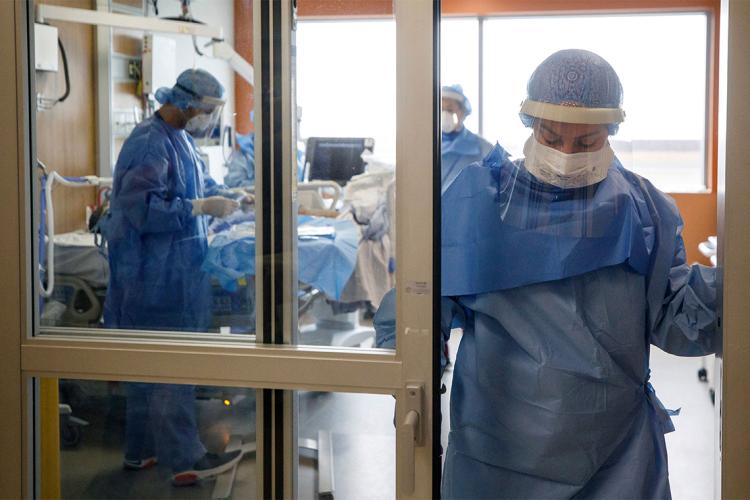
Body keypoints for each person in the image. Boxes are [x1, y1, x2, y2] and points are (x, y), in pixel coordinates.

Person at [375, 49, 717, 498]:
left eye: (586, 142)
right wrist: (415, 362)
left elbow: (675, 316)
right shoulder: (480, 202)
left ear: (611, 133)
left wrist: (730, 291)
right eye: (551, 137)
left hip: (615, 457)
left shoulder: (643, 210)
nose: (564, 155)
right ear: (530, 126)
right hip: (497, 455)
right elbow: (417, 311)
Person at [102, 68, 248, 486]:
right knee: (169, 368)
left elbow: (197, 186)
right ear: (186, 103)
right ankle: (185, 459)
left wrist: (232, 197)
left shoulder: (179, 139)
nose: (210, 117)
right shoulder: (148, 143)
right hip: (152, 276)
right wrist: (201, 209)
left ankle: (141, 450)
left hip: (175, 271)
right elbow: (143, 211)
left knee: (149, 370)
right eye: (209, 109)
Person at [441, 84, 493, 191]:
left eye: (450, 110)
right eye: (440, 110)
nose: (444, 115)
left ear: (463, 112)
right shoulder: (424, 147)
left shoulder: (484, 149)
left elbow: (505, 186)